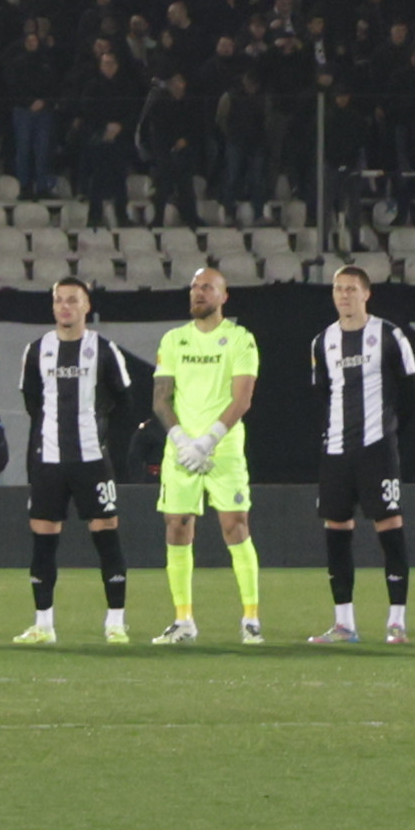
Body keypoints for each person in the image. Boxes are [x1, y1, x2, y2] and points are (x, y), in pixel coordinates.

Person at [13, 278, 138, 645]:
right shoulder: (37, 351)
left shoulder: (103, 349)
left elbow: (124, 402)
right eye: (59, 300)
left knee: (106, 536)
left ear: (86, 306)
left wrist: (99, 435)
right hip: (49, 461)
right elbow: (33, 403)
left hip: (92, 460)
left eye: (72, 300)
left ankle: (115, 622)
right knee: (43, 540)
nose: (65, 307)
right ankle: (43, 625)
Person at [150, 266, 262, 645]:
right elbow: (161, 399)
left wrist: (208, 441)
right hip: (181, 450)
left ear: (223, 296)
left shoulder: (240, 340)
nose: (198, 293)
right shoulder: (173, 340)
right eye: (195, 287)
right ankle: (183, 620)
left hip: (223, 448)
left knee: (235, 526)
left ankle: (250, 618)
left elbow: (242, 399)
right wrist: (183, 441)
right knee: (177, 526)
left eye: (207, 287)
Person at [310, 264, 415, 645]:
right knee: (337, 531)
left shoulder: (389, 335)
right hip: (337, 451)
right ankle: (344, 624)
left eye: (351, 288)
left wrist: (388, 431)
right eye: (338, 289)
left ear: (366, 293)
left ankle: (396, 621)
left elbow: (410, 393)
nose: (344, 295)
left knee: (389, 528)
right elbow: (323, 393)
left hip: (377, 449)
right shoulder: (322, 341)